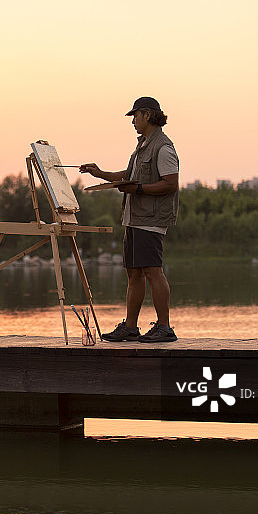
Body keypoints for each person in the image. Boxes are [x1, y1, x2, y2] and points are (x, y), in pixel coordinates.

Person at [79, 96, 179, 342]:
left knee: (153, 271)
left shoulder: (163, 147)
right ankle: (131, 327)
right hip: (134, 219)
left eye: (134, 116)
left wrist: (140, 190)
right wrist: (99, 173)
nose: (132, 121)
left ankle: (164, 328)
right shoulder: (143, 145)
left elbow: (171, 183)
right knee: (134, 273)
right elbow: (128, 176)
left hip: (150, 219)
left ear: (147, 115)